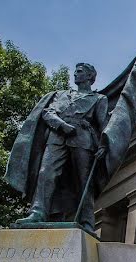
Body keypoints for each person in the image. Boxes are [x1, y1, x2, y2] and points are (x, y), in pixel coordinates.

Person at [7, 63, 109, 233]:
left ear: (90, 76)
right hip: (57, 136)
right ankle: (37, 212)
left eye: (80, 71)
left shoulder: (99, 99)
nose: (75, 74)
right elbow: (48, 113)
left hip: (83, 139)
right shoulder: (60, 95)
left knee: (83, 181)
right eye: (75, 71)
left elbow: (103, 124)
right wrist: (62, 125)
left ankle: (87, 222)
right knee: (45, 173)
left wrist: (104, 144)